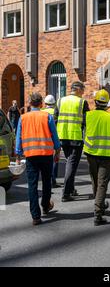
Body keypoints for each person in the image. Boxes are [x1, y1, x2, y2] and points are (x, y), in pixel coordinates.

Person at [15, 93, 61, 226]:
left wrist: (18, 155)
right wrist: (57, 150)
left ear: (30, 103)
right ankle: (45, 206)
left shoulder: (23, 118)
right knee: (47, 182)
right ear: (41, 103)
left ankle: (36, 216)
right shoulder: (47, 116)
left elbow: (19, 138)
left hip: (30, 155)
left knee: (32, 185)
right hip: (46, 154)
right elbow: (54, 135)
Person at [83, 90, 110, 226]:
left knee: (95, 180)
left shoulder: (88, 115)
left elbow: (85, 131)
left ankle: (100, 204)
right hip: (106, 154)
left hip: (91, 153)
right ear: (107, 103)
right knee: (102, 183)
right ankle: (98, 213)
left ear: (95, 102)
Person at [55, 81, 89, 202]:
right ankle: (65, 193)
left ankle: (71, 189)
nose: (84, 92)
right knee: (71, 164)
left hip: (62, 137)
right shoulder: (82, 102)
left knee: (71, 163)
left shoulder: (60, 101)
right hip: (75, 138)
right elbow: (87, 122)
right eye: (83, 89)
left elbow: (55, 119)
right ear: (78, 89)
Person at [43, 95, 60, 189]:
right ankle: (53, 180)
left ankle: (48, 179)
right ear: (54, 103)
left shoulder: (42, 111)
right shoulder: (55, 111)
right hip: (54, 138)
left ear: (45, 103)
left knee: (46, 161)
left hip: (44, 139)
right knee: (55, 160)